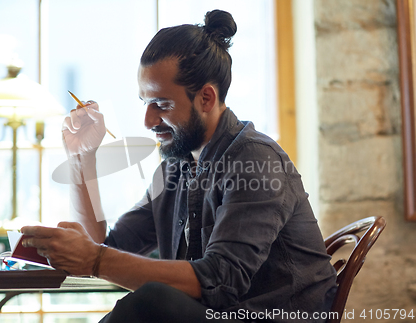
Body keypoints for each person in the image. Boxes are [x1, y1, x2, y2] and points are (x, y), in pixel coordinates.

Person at [22, 10, 337, 323]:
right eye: (146, 103)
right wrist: (81, 159)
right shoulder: (176, 168)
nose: (148, 121)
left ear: (206, 99)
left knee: (150, 301)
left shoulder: (255, 161)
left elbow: (219, 280)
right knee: (148, 301)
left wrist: (94, 259)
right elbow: (107, 247)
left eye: (162, 104)